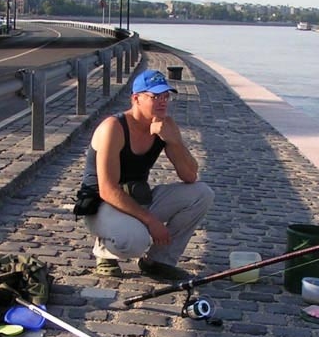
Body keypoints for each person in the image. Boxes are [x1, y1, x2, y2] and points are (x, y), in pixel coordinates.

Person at [75, 68, 214, 280]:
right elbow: (107, 189)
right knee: (136, 242)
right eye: (155, 96)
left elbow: (190, 177)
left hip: (136, 199)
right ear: (136, 99)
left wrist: (174, 141)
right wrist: (151, 221)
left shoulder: (164, 125)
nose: (162, 102)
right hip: (101, 205)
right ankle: (103, 249)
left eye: (166, 96)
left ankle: (158, 261)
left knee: (202, 194)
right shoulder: (113, 127)